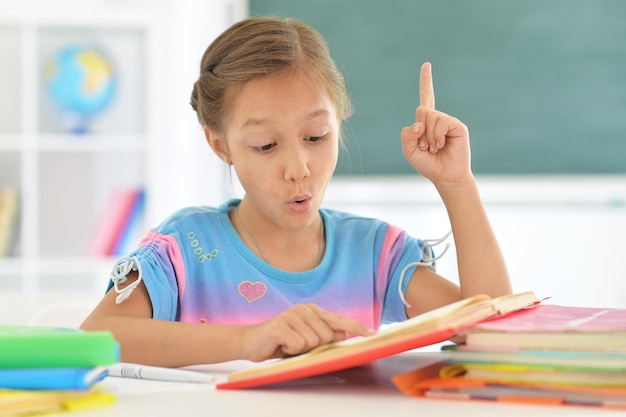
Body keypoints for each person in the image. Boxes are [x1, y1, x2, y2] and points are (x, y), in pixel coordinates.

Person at [80, 16, 512, 367]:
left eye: (317, 136)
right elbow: (97, 337)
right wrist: (249, 340)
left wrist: (457, 185)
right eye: (266, 146)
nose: (298, 169)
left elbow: (490, 332)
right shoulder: (186, 249)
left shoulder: (372, 252)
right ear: (220, 144)